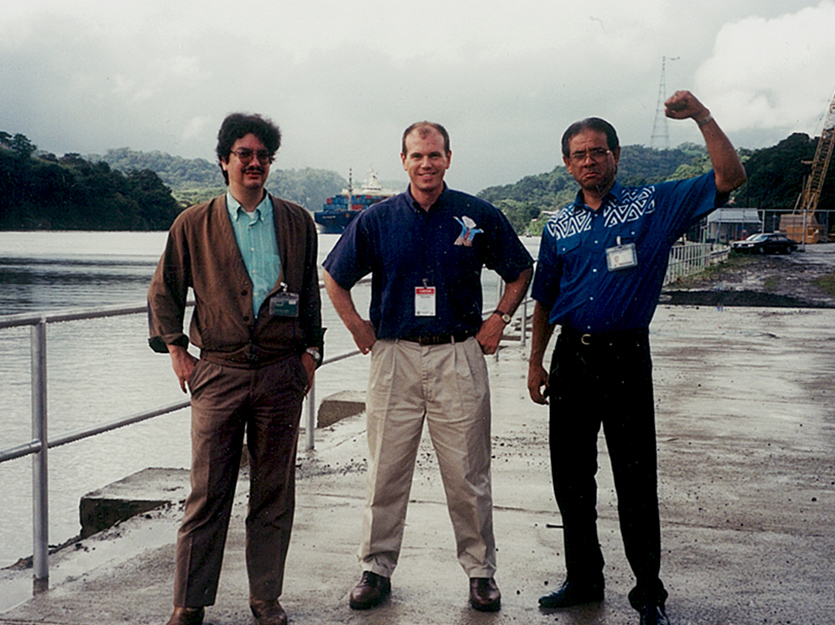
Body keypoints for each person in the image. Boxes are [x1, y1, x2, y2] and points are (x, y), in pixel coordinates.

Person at [527, 91, 746, 625]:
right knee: (571, 477)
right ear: (566, 163)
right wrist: (535, 362)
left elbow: (729, 178)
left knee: (634, 477)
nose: (588, 161)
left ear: (616, 156)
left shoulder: (653, 204)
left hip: (626, 357)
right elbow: (545, 299)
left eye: (598, 152)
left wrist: (702, 117)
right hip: (571, 360)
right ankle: (583, 579)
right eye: (578, 154)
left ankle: (648, 592)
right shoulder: (558, 227)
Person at [323, 121, 533, 613]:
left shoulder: (476, 215)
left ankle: (480, 573)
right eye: (416, 156)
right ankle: (375, 568)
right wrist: (357, 327)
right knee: (385, 469)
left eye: (434, 155)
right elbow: (334, 276)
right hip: (394, 353)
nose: (425, 164)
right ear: (403, 161)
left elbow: (521, 270)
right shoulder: (376, 219)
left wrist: (499, 319)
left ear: (448, 158)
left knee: (468, 470)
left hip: (458, 353)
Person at [148, 113, 324, 625]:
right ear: (224, 160)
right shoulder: (193, 223)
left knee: (273, 491)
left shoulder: (295, 220)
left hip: (280, 373)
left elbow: (309, 294)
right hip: (217, 373)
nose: (254, 163)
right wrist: (178, 350)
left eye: (262, 156)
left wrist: (310, 353)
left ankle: (264, 597)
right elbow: (164, 291)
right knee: (207, 492)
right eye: (244, 154)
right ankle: (189, 602)